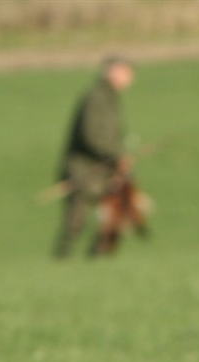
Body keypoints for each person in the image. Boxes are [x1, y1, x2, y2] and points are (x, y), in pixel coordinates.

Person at [52, 56, 135, 258]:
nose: (130, 79)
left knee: (115, 217)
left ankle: (96, 260)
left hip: (105, 169)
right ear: (112, 72)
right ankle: (61, 261)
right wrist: (117, 154)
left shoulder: (109, 99)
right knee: (76, 223)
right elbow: (92, 135)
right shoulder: (96, 98)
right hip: (85, 170)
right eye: (126, 72)